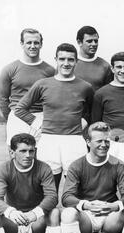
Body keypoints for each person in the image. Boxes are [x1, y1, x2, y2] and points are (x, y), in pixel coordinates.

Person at [14, 43, 94, 192]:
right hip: (49, 141)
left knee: (79, 190)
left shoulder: (85, 87)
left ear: (76, 61)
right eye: (62, 59)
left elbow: (91, 112)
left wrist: (84, 122)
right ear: (56, 60)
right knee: (48, 191)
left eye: (70, 59)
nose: (66, 63)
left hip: (74, 141)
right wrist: (38, 124)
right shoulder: (43, 84)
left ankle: (76, 215)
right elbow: (20, 109)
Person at [0, 28, 55, 146]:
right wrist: (12, 118)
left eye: (36, 43)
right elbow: (2, 99)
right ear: (22, 44)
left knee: (43, 159)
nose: (33, 46)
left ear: (41, 44)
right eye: (29, 42)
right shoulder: (9, 69)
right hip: (18, 118)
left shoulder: (50, 71)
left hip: (42, 118)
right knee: (18, 159)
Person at [75, 26, 112, 92]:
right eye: (89, 41)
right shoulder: (69, 64)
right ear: (79, 42)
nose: (94, 44)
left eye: (96, 41)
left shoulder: (105, 66)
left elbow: (108, 92)